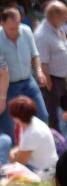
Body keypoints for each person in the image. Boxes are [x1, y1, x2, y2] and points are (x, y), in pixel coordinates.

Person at [0, 6, 50, 141]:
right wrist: (2, 97)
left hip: (29, 82)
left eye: (18, 26)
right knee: (8, 125)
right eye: (12, 29)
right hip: (8, 86)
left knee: (43, 115)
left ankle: (43, 145)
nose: (16, 31)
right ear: (2, 23)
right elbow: (2, 72)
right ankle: (12, 155)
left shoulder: (26, 31)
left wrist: (39, 72)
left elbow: (35, 55)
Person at [34, 1, 67, 132]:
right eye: (64, 16)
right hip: (52, 81)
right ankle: (56, 141)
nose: (66, 18)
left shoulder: (57, 27)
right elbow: (42, 62)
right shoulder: (42, 35)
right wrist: (49, 86)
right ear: (54, 16)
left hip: (64, 78)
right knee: (53, 114)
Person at [0, 95, 57, 175]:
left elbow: (18, 164)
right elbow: (23, 147)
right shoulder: (30, 123)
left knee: (4, 169)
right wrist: (12, 152)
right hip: (40, 166)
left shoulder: (32, 133)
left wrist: (8, 157)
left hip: (41, 171)